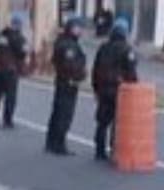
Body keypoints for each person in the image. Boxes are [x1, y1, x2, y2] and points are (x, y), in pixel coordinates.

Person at [92, 17, 138, 161]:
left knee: (102, 122)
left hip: (103, 89)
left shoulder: (103, 47)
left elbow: (95, 69)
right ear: (125, 32)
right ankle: (114, 150)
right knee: (117, 123)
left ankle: (99, 151)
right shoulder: (127, 50)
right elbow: (131, 73)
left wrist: (96, 88)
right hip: (120, 91)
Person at [45, 17, 87, 155]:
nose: (80, 30)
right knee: (64, 114)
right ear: (71, 28)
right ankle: (59, 144)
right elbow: (70, 65)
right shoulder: (68, 45)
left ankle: (51, 142)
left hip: (63, 82)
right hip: (68, 83)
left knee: (57, 112)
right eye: (77, 28)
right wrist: (79, 74)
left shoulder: (63, 42)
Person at [0, 16, 28, 128]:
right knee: (10, 96)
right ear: (19, 26)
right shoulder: (19, 38)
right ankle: (7, 120)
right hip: (11, 70)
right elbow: (22, 53)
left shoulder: (1, 35)